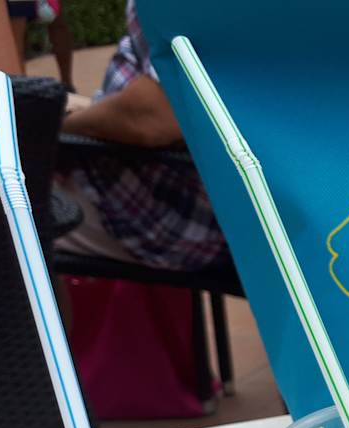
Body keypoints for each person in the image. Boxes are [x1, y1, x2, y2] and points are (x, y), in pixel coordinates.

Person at [54, 0, 226, 272]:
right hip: (207, 191)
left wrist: (64, 126)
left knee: (1, 215)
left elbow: (154, 117)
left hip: (176, 213)